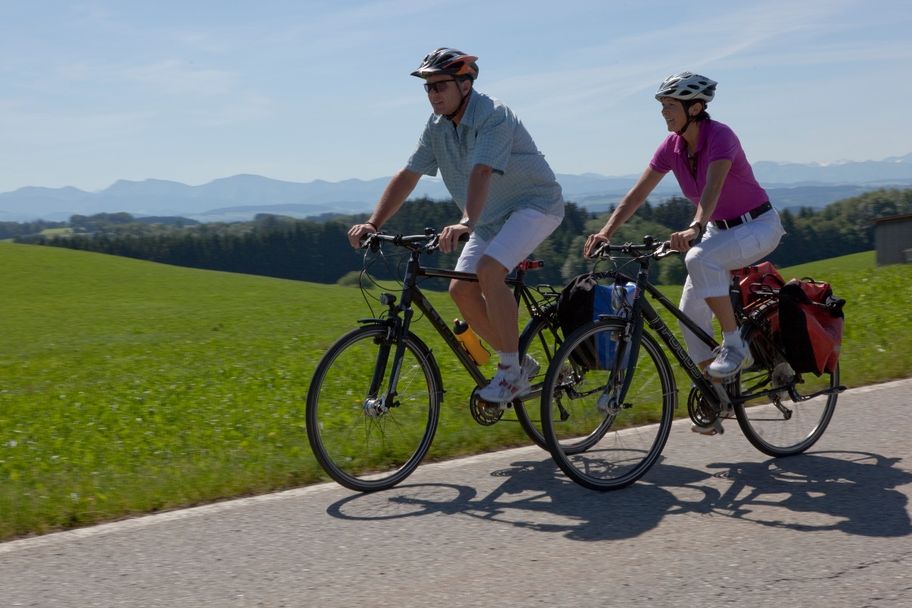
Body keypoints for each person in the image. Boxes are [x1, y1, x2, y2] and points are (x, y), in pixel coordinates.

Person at [347, 48, 565, 404]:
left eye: (440, 86)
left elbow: (482, 170)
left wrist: (466, 222)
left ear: (465, 85)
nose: (433, 94)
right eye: (428, 88)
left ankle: (510, 373)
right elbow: (409, 174)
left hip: (534, 205)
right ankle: (520, 362)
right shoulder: (437, 127)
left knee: (489, 271)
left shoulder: (493, 115)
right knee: (461, 290)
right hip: (490, 218)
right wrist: (374, 223)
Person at [584, 71, 785, 400]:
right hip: (719, 230)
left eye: (670, 105)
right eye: (662, 105)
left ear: (694, 107)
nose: (664, 111)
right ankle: (715, 394)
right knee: (689, 313)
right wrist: (606, 231)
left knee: (699, 257)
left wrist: (695, 226)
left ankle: (736, 346)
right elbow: (637, 195)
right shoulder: (672, 147)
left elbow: (712, 189)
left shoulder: (720, 136)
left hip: (758, 225)